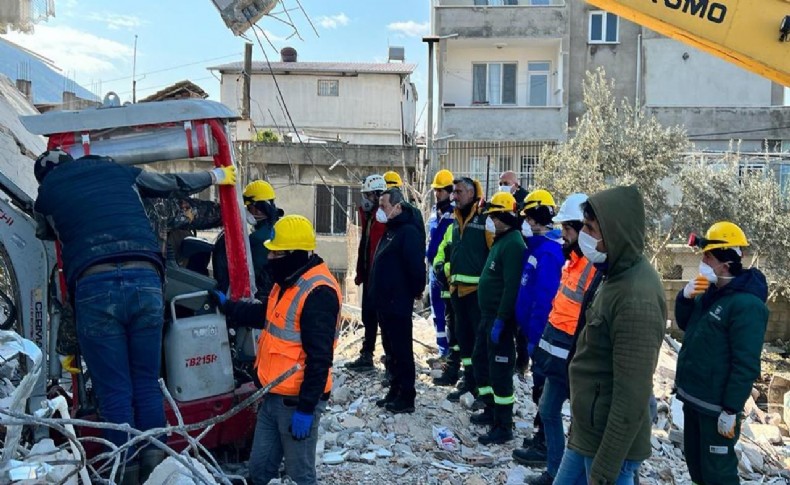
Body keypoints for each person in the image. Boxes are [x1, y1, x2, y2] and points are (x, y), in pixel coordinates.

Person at [33, 149, 235, 484]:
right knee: (146, 383)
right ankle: (159, 472)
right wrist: (215, 176)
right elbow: (171, 183)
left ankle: (124, 474)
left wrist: (66, 345)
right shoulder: (117, 170)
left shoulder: (48, 194)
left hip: (95, 285)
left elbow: (44, 234)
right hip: (146, 280)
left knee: (114, 391)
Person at [216, 215, 341, 485]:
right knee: (259, 471)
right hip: (272, 396)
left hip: (297, 403)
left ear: (296, 253)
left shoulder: (319, 292)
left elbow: (320, 359)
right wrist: (229, 308)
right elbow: (266, 315)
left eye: (277, 252)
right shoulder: (287, 281)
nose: (270, 257)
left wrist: (306, 409)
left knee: (300, 476)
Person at [555, 185, 666, 485]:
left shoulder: (636, 296)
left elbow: (631, 395)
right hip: (589, 433)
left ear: (614, 233)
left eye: (591, 228)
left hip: (608, 446)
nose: (584, 236)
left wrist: (604, 471)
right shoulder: (614, 273)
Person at [675, 222, 768, 485]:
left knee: (718, 474)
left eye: (708, 256)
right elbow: (686, 326)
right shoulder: (711, 292)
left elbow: (746, 364)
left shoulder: (746, 305)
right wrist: (684, 297)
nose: (703, 261)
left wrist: (730, 409)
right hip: (694, 399)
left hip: (716, 408)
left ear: (725, 263)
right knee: (697, 467)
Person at [514, 193, 596, 485]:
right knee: (548, 410)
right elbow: (558, 306)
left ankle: (576, 478)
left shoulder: (594, 268)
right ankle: (555, 471)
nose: (563, 235)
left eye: (568, 230)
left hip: (576, 359)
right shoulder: (569, 261)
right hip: (556, 356)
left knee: (580, 423)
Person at [514, 189, 564, 461]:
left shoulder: (548, 253)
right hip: (534, 333)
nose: (528, 224)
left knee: (544, 392)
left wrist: (534, 336)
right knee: (540, 389)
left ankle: (545, 444)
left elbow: (543, 300)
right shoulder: (537, 249)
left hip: (542, 335)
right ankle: (541, 435)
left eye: (531, 219)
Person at [472, 192, 525, 445]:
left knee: (500, 372)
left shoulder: (514, 243)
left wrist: (502, 320)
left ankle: (504, 425)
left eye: (494, 215)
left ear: (504, 216)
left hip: (498, 319)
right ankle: (491, 410)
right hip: (488, 316)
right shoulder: (501, 240)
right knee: (481, 361)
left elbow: (511, 286)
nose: (490, 220)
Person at [368, 189, 426, 413]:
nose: (380, 210)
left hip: (398, 301)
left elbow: (415, 267)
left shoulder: (408, 231)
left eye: (383, 206)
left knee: (402, 349)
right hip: (384, 301)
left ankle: (407, 395)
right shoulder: (390, 230)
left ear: (398, 206)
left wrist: (416, 290)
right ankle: (394, 390)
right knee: (390, 350)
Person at [440, 177, 493, 404]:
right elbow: (450, 248)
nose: (454, 196)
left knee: (481, 347)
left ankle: (485, 392)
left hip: (477, 294)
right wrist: (444, 268)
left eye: (459, 192)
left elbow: (494, 253)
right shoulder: (455, 219)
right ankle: (470, 384)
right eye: (453, 192)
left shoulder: (485, 219)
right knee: (465, 343)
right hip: (458, 292)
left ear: (471, 194)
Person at [346, 175, 389, 372]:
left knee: (385, 320)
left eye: (368, 195)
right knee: (369, 317)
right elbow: (365, 246)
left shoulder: (385, 217)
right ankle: (366, 354)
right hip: (370, 275)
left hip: (381, 278)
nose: (365, 198)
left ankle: (391, 360)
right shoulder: (370, 216)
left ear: (378, 195)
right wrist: (361, 272)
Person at [213, 179, 282, 299]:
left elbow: (249, 275)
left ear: (256, 208)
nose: (247, 211)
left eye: (248, 207)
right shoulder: (275, 227)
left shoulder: (257, 238)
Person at [426, 169, 455, 361]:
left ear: (449, 191)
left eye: (441, 191)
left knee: (448, 314)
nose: (437, 194)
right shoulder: (434, 215)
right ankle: (442, 350)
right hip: (432, 270)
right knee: (436, 312)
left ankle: (451, 352)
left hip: (446, 271)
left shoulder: (454, 215)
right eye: (436, 191)